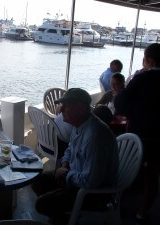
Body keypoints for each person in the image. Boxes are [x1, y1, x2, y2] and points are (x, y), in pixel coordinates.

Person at [32, 88, 118, 224]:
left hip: (94, 192)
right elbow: (70, 149)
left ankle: (63, 217)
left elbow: (90, 181)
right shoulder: (80, 125)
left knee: (42, 204)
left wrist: (66, 174)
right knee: (37, 179)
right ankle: (63, 216)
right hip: (76, 177)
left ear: (81, 108)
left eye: (66, 106)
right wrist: (65, 164)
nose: (61, 110)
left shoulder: (95, 136)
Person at [114, 43, 160, 225]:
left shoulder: (142, 79)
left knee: (129, 172)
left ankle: (121, 206)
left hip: (138, 135)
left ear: (148, 60)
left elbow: (121, 104)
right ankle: (142, 213)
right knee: (152, 176)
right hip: (159, 139)